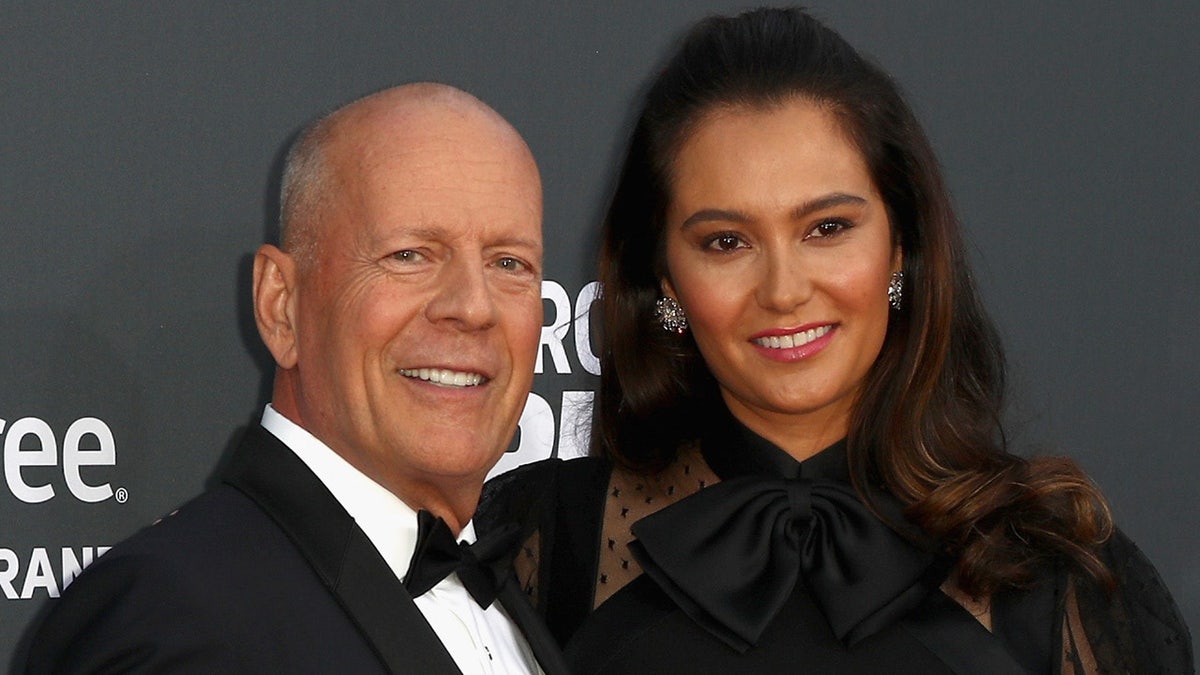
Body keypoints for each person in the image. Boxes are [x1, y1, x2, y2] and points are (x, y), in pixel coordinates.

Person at [481, 8, 1193, 674]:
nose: (784, 290)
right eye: (727, 241)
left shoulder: (1061, 572)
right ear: (665, 281)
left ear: (900, 248)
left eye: (827, 228)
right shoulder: (538, 543)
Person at [23, 83, 568, 675]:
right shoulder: (172, 621)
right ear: (282, 307)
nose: (473, 306)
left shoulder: (516, 607)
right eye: (410, 255)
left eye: (509, 263)